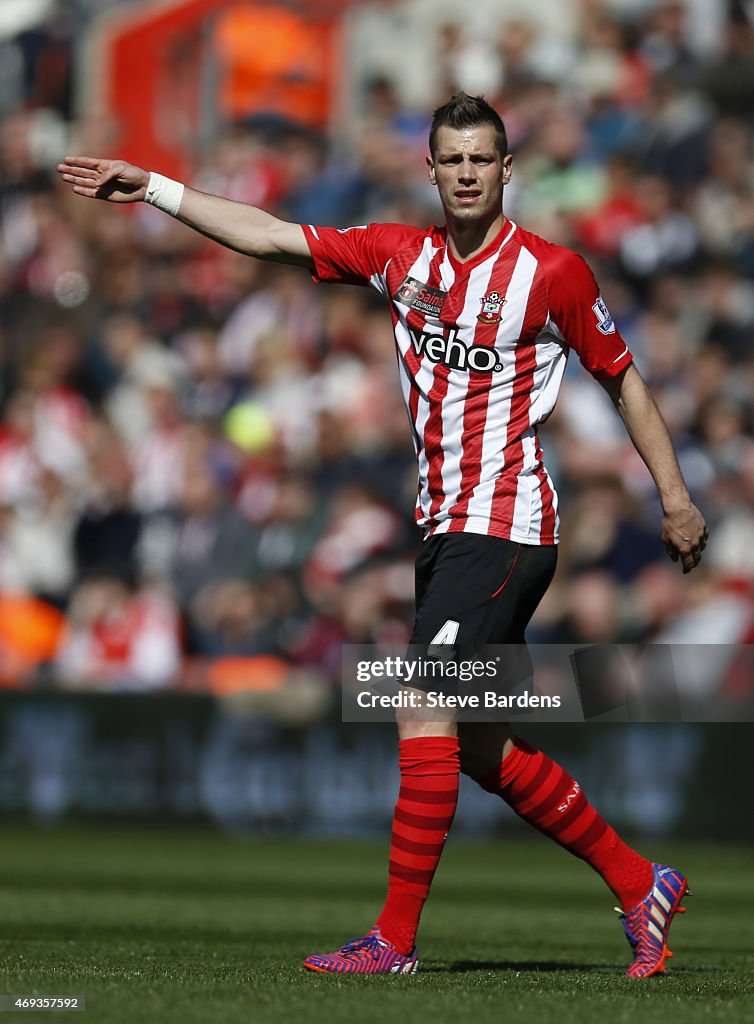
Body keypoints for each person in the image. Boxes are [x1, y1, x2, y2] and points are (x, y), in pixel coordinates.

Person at [57, 92, 707, 979]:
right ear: (430, 169)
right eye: (453, 159)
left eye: (483, 159)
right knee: (477, 744)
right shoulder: (401, 258)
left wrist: (674, 495)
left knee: (420, 698)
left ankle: (393, 943)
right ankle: (642, 884)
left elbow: (623, 380)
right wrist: (158, 189)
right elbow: (271, 235)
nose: (469, 173)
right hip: (444, 530)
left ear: (508, 170)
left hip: (507, 521)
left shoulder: (554, 274)